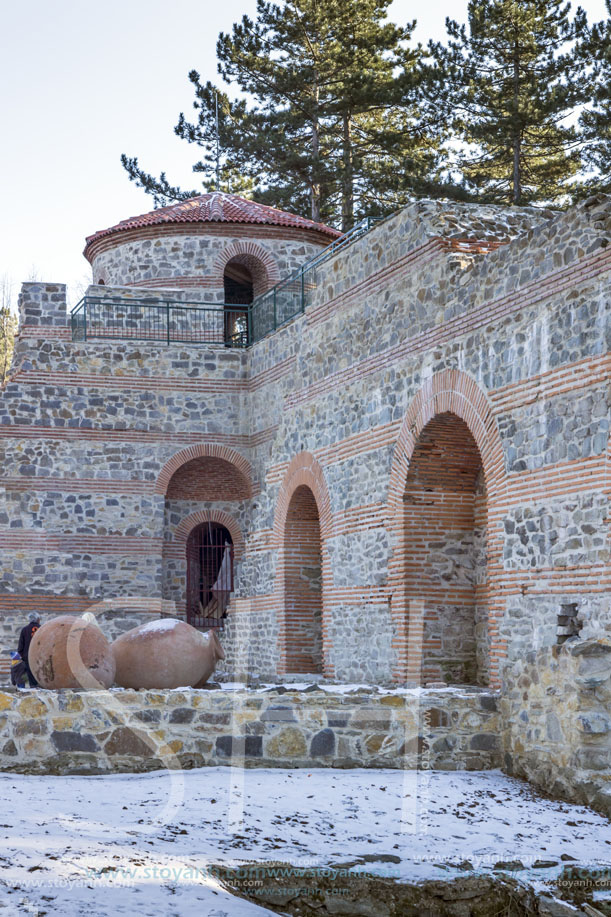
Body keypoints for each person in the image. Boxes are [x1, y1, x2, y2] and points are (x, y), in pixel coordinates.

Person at [17, 612, 41, 687]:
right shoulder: (43, 628)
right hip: (41, 657)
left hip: (28, 657)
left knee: (31, 679)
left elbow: (20, 647)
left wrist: (22, 656)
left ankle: (34, 691)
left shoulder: (24, 630)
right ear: (38, 619)